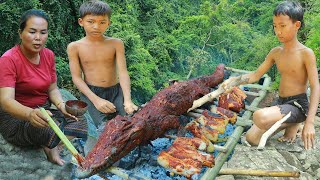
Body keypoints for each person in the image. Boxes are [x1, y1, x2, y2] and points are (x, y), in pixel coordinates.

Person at [221, 1, 319, 150]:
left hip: (298, 105)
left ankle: (297, 120)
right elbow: (255, 75)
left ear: (297, 25)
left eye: (283, 26)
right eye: (275, 26)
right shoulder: (276, 52)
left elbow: (315, 86)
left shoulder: (306, 54)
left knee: (259, 116)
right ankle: (292, 122)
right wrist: (234, 81)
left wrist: (310, 122)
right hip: (281, 102)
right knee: (251, 138)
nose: (278, 31)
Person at [0, 9, 87, 166]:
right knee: (46, 130)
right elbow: (6, 101)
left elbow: (52, 89)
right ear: (20, 33)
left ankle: (53, 146)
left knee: (80, 121)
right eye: (32, 32)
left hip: (45, 113)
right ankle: (49, 145)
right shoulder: (8, 59)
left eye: (43, 32)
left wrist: (61, 106)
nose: (38, 38)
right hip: (18, 118)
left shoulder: (48, 55)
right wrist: (30, 114)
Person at [67, 0, 138, 131]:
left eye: (102, 22)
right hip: (91, 93)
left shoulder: (116, 43)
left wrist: (127, 100)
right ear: (81, 22)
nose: (96, 26)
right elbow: (76, 78)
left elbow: (123, 72)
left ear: (108, 23)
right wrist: (96, 100)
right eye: (91, 21)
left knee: (128, 125)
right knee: (102, 130)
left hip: (117, 92)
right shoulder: (75, 47)